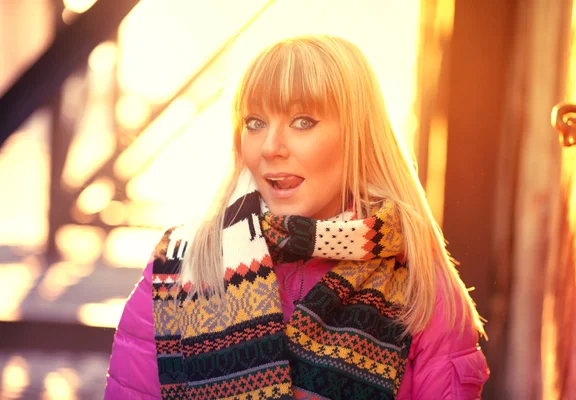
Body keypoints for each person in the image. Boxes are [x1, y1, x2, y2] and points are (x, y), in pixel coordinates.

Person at [104, 34, 489, 399]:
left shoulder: (423, 290)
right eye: (255, 123)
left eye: (303, 121)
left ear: (359, 136)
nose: (270, 147)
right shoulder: (181, 267)